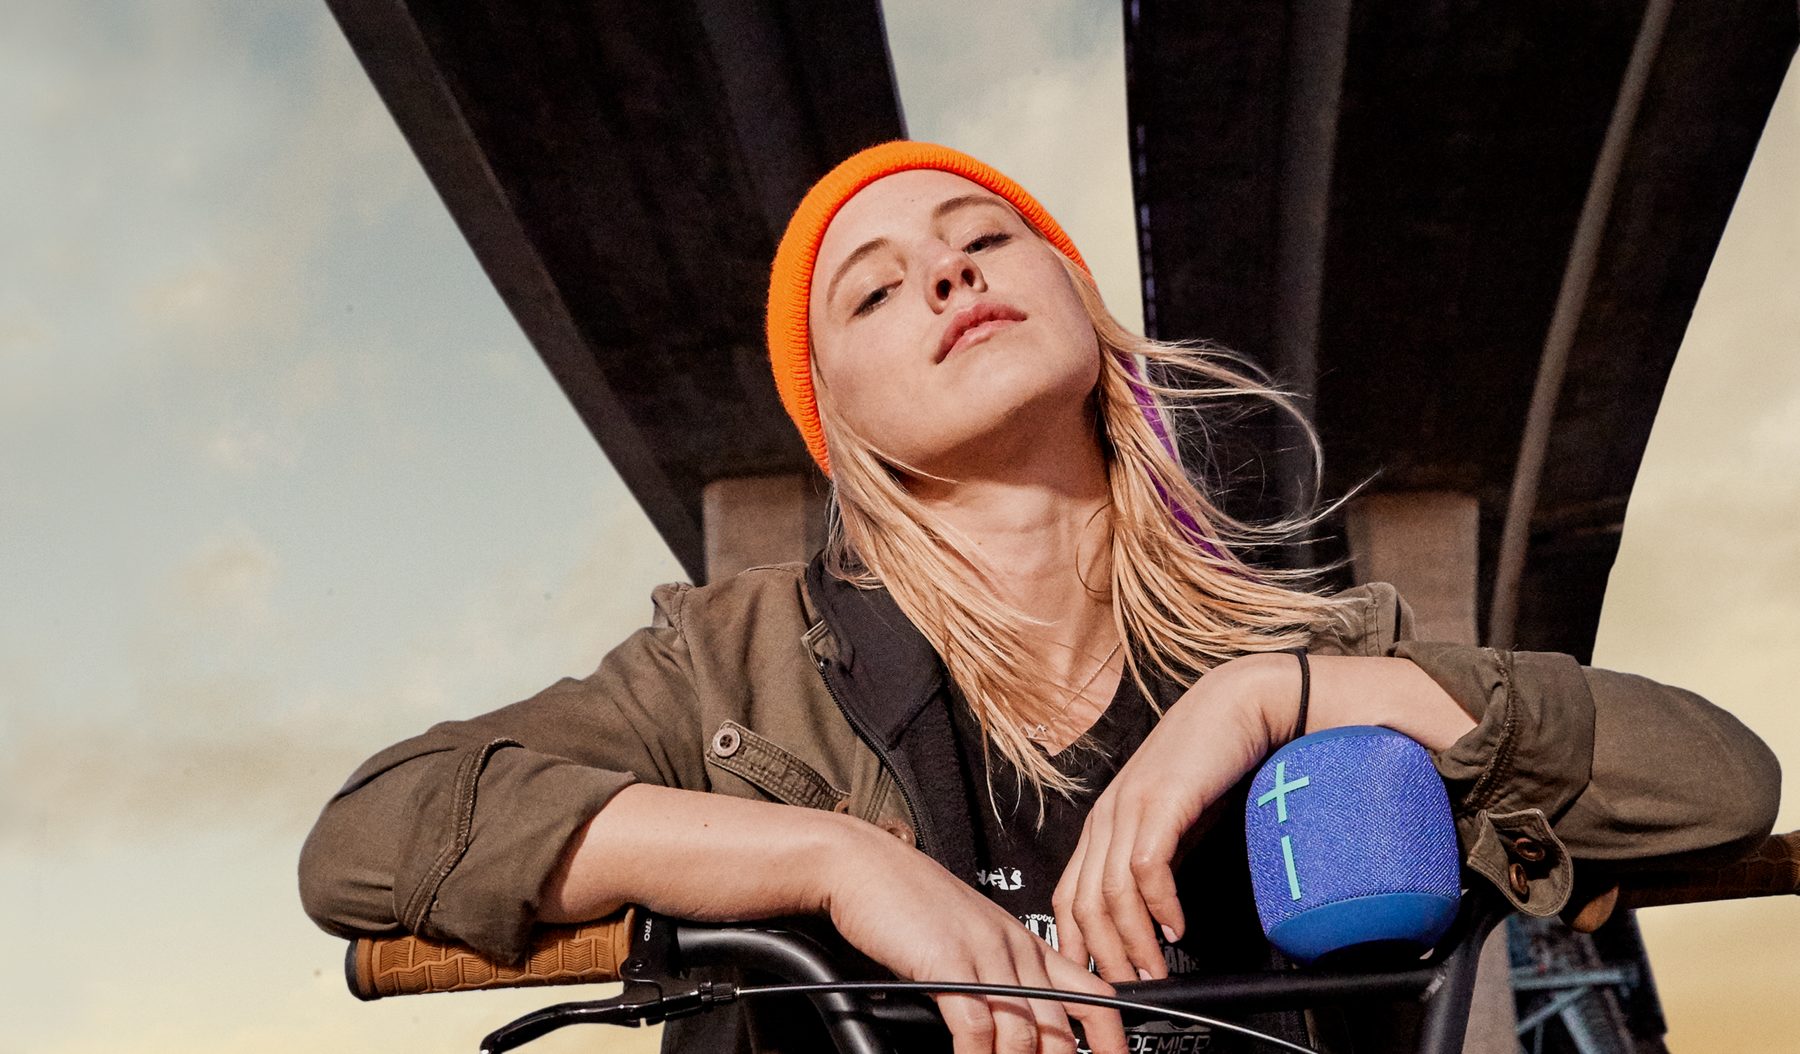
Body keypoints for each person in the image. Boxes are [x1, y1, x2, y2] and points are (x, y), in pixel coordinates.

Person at [298, 141, 1781, 1054]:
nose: (947, 274)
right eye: (876, 289)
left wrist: (1274, 698)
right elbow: (370, 836)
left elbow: (1721, 782)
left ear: (1077, 297)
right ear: (840, 421)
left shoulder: (1308, 651)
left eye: (982, 238)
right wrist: (831, 860)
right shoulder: (732, 666)